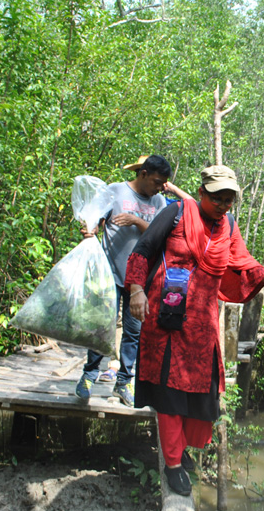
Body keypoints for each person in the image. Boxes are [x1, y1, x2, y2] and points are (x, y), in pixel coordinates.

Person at [125, 165, 264, 496]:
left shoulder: (229, 227)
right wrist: (135, 291)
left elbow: (244, 262)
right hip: (166, 322)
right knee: (169, 395)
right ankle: (173, 464)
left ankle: (183, 451)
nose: (223, 205)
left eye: (229, 200)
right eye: (217, 198)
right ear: (202, 193)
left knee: (200, 396)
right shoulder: (175, 213)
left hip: (202, 326)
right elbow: (142, 251)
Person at [75, 155, 191, 404]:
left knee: (133, 332)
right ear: (143, 174)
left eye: (163, 184)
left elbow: (159, 237)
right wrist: (90, 228)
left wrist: (136, 220)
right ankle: (89, 376)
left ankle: (124, 382)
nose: (160, 188)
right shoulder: (115, 191)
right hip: (110, 273)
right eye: (157, 181)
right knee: (101, 326)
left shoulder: (160, 201)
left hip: (140, 280)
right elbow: (95, 219)